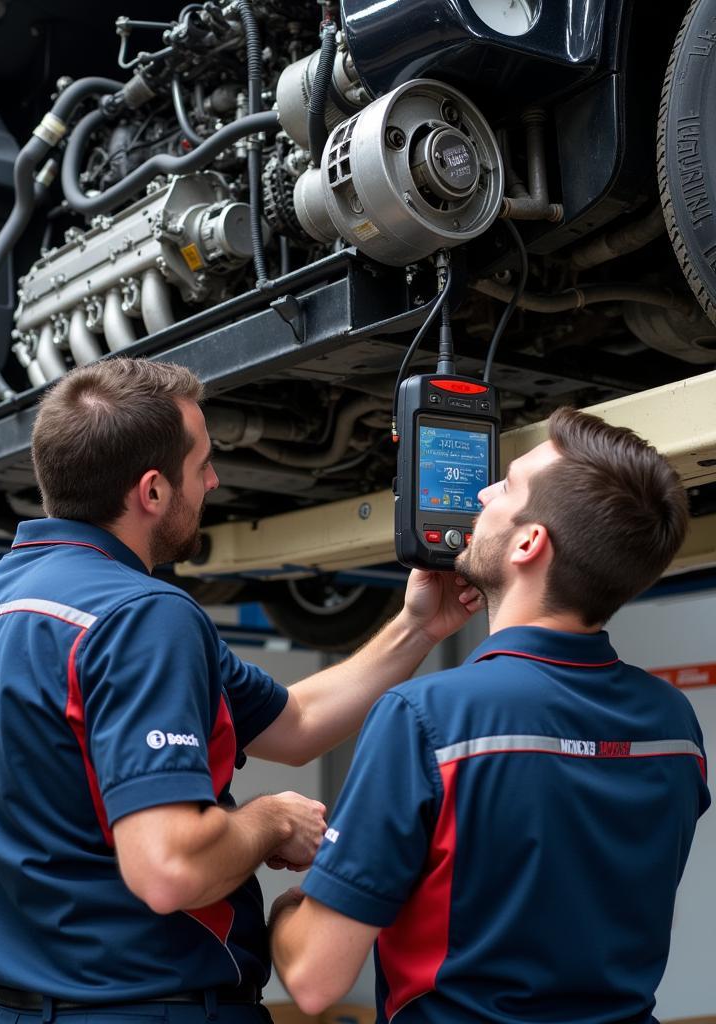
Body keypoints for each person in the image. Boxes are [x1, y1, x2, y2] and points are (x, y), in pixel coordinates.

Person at [0, 357, 484, 1024]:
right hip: (151, 1008)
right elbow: (170, 869)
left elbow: (294, 724)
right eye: (202, 463)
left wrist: (418, 626)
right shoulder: (143, 616)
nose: (213, 479)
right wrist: (271, 820)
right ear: (151, 492)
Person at [270, 407, 711, 1024]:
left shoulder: (428, 717)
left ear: (530, 543)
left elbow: (316, 979)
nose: (482, 492)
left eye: (506, 486)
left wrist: (290, 911)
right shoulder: (674, 725)